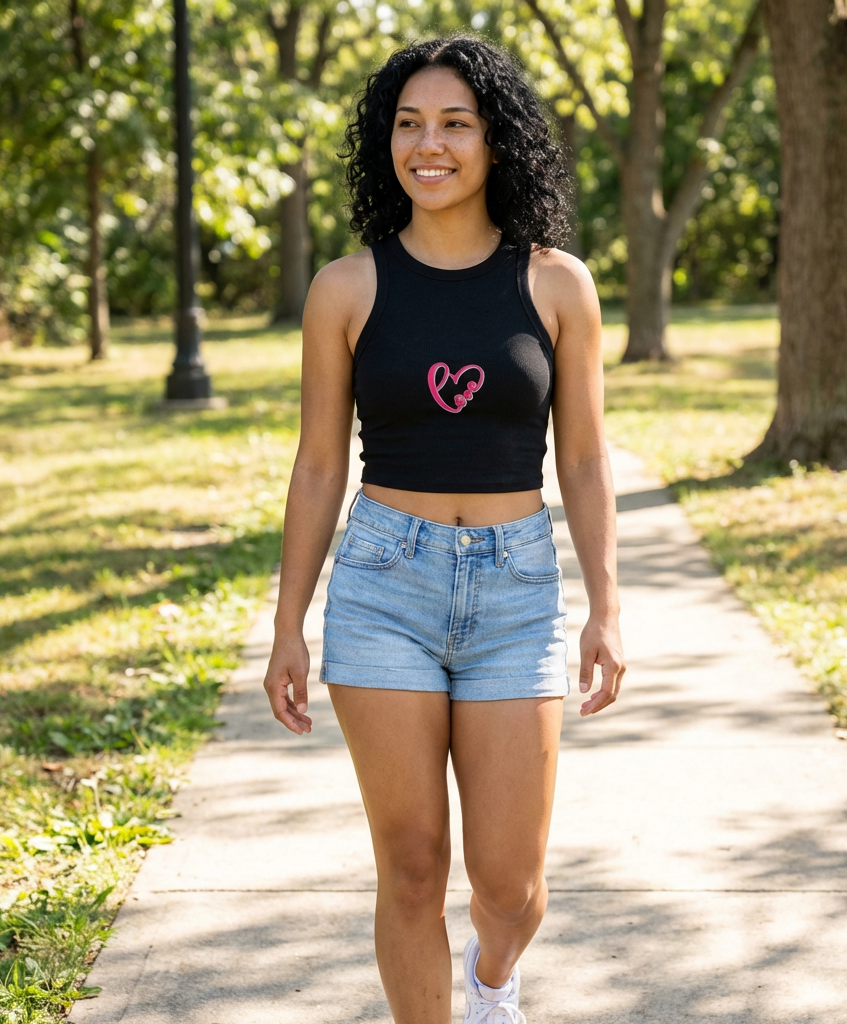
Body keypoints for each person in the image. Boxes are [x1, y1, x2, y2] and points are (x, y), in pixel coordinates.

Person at [262, 35, 625, 1024]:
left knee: (510, 882)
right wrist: (289, 622)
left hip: (513, 590)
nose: (429, 143)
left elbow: (586, 460)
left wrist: (606, 606)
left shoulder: (557, 285)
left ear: (495, 142)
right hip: (385, 581)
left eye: (455, 123)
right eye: (408, 123)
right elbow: (319, 464)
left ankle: (493, 979)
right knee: (413, 863)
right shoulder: (346, 288)